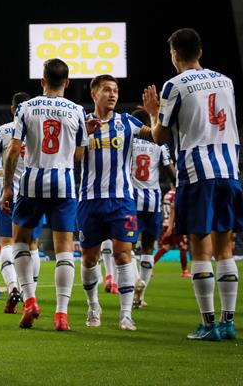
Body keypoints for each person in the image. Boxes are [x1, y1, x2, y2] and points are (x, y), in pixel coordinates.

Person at [141, 28, 243, 341]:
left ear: (174, 54)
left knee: (201, 249)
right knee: (225, 249)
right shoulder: (226, 81)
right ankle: (228, 322)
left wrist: (153, 113)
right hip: (229, 172)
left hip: (197, 175)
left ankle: (208, 323)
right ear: (200, 50)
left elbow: (160, 136)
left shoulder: (176, 85)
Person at [0, 58, 94, 331]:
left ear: (42, 81)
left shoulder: (26, 107)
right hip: (64, 181)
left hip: (31, 181)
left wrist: (8, 187)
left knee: (21, 241)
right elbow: (78, 155)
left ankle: (30, 301)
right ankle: (61, 315)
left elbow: (14, 149)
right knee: (64, 247)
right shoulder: (77, 111)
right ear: (67, 82)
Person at [77, 75, 160, 331]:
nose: (112, 95)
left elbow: (158, 138)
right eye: (106, 90)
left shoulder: (128, 122)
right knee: (89, 259)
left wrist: (155, 114)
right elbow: (72, 159)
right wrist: (83, 136)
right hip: (89, 201)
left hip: (122, 200)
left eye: (115, 90)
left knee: (123, 255)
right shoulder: (81, 123)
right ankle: (93, 306)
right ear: (94, 94)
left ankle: (126, 315)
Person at [0, 92, 40, 309]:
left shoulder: (3, 131)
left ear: (13, 109)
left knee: (7, 245)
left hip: (10, 194)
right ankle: (30, 292)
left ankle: (13, 287)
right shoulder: (40, 128)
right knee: (32, 246)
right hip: (35, 193)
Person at [130, 108, 176, 308]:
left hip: (131, 202)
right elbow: (172, 175)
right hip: (153, 202)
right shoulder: (160, 145)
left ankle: (134, 283)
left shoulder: (129, 142)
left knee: (126, 247)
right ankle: (140, 297)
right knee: (148, 249)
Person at [154, 186, 190, 275]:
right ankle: (184, 271)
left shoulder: (166, 195)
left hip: (165, 223)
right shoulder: (176, 195)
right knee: (183, 247)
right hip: (174, 224)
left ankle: (149, 266)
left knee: (165, 247)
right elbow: (176, 210)